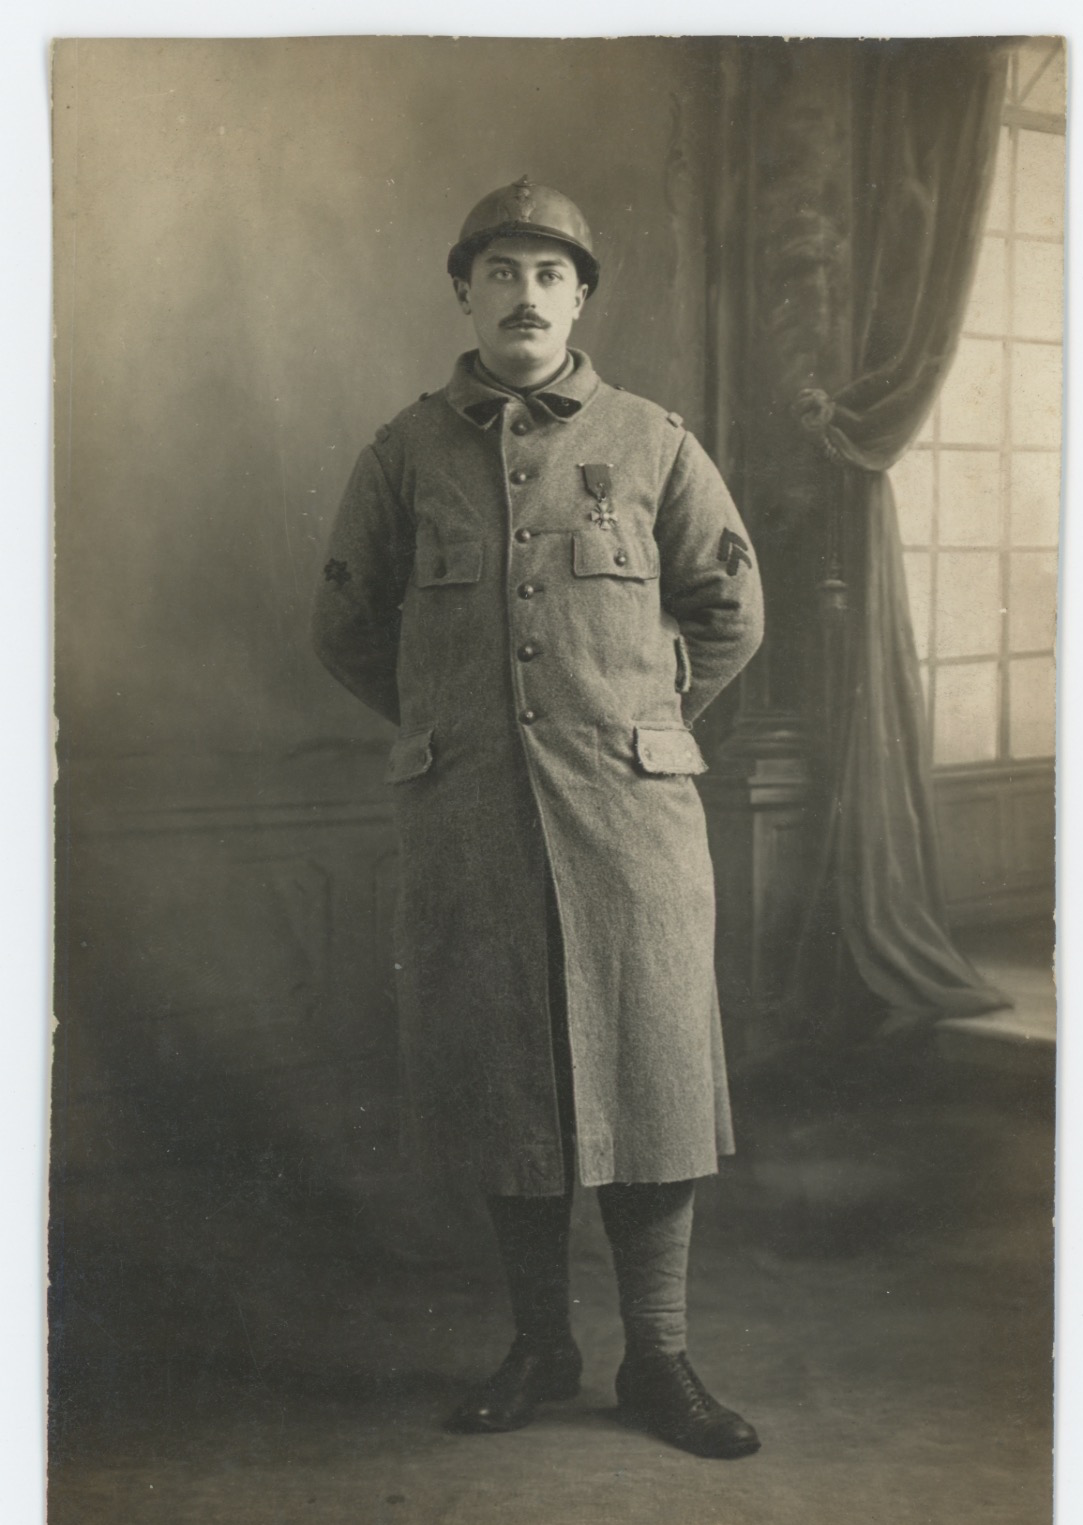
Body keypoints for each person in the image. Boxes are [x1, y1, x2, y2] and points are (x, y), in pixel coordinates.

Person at [312, 177, 765, 1459]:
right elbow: (347, 625)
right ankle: (539, 1343)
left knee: (654, 1077)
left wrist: (647, 721)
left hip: (633, 822)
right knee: (507, 1079)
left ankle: (658, 1362)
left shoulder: (656, 439)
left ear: (581, 298)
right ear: (464, 291)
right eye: (500, 270)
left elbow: (729, 610)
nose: (524, 294)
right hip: (471, 822)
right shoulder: (404, 453)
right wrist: (447, 723)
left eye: (549, 273)